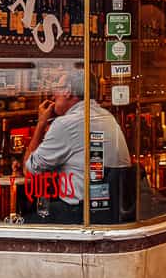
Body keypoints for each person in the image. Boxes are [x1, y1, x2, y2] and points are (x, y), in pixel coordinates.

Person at [24, 70, 131, 224]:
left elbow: (29, 171)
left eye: (57, 88)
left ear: (68, 92)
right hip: (109, 212)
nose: (54, 96)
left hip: (80, 214)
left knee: (21, 223)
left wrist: (41, 124)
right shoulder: (108, 117)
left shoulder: (66, 124)